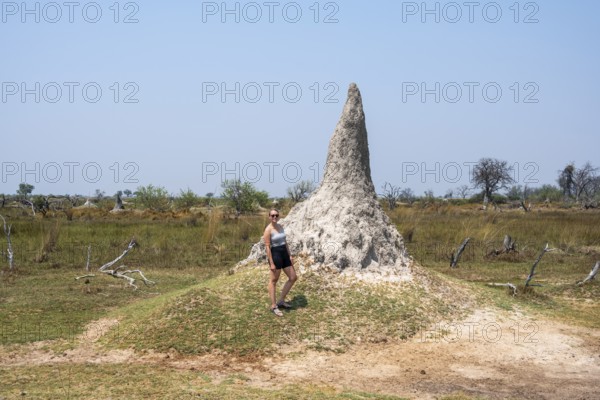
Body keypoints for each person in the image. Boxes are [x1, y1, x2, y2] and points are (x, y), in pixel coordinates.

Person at [263, 208, 297, 317]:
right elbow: (267, 247)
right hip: (276, 255)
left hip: (284, 254)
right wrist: (271, 262)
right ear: (269, 217)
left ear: (278, 216)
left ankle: (281, 301)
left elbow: (285, 242)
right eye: (272, 215)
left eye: (276, 215)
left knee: (293, 277)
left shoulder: (280, 226)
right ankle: (273, 306)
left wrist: (290, 255)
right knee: (273, 281)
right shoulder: (268, 230)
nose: (274, 217)